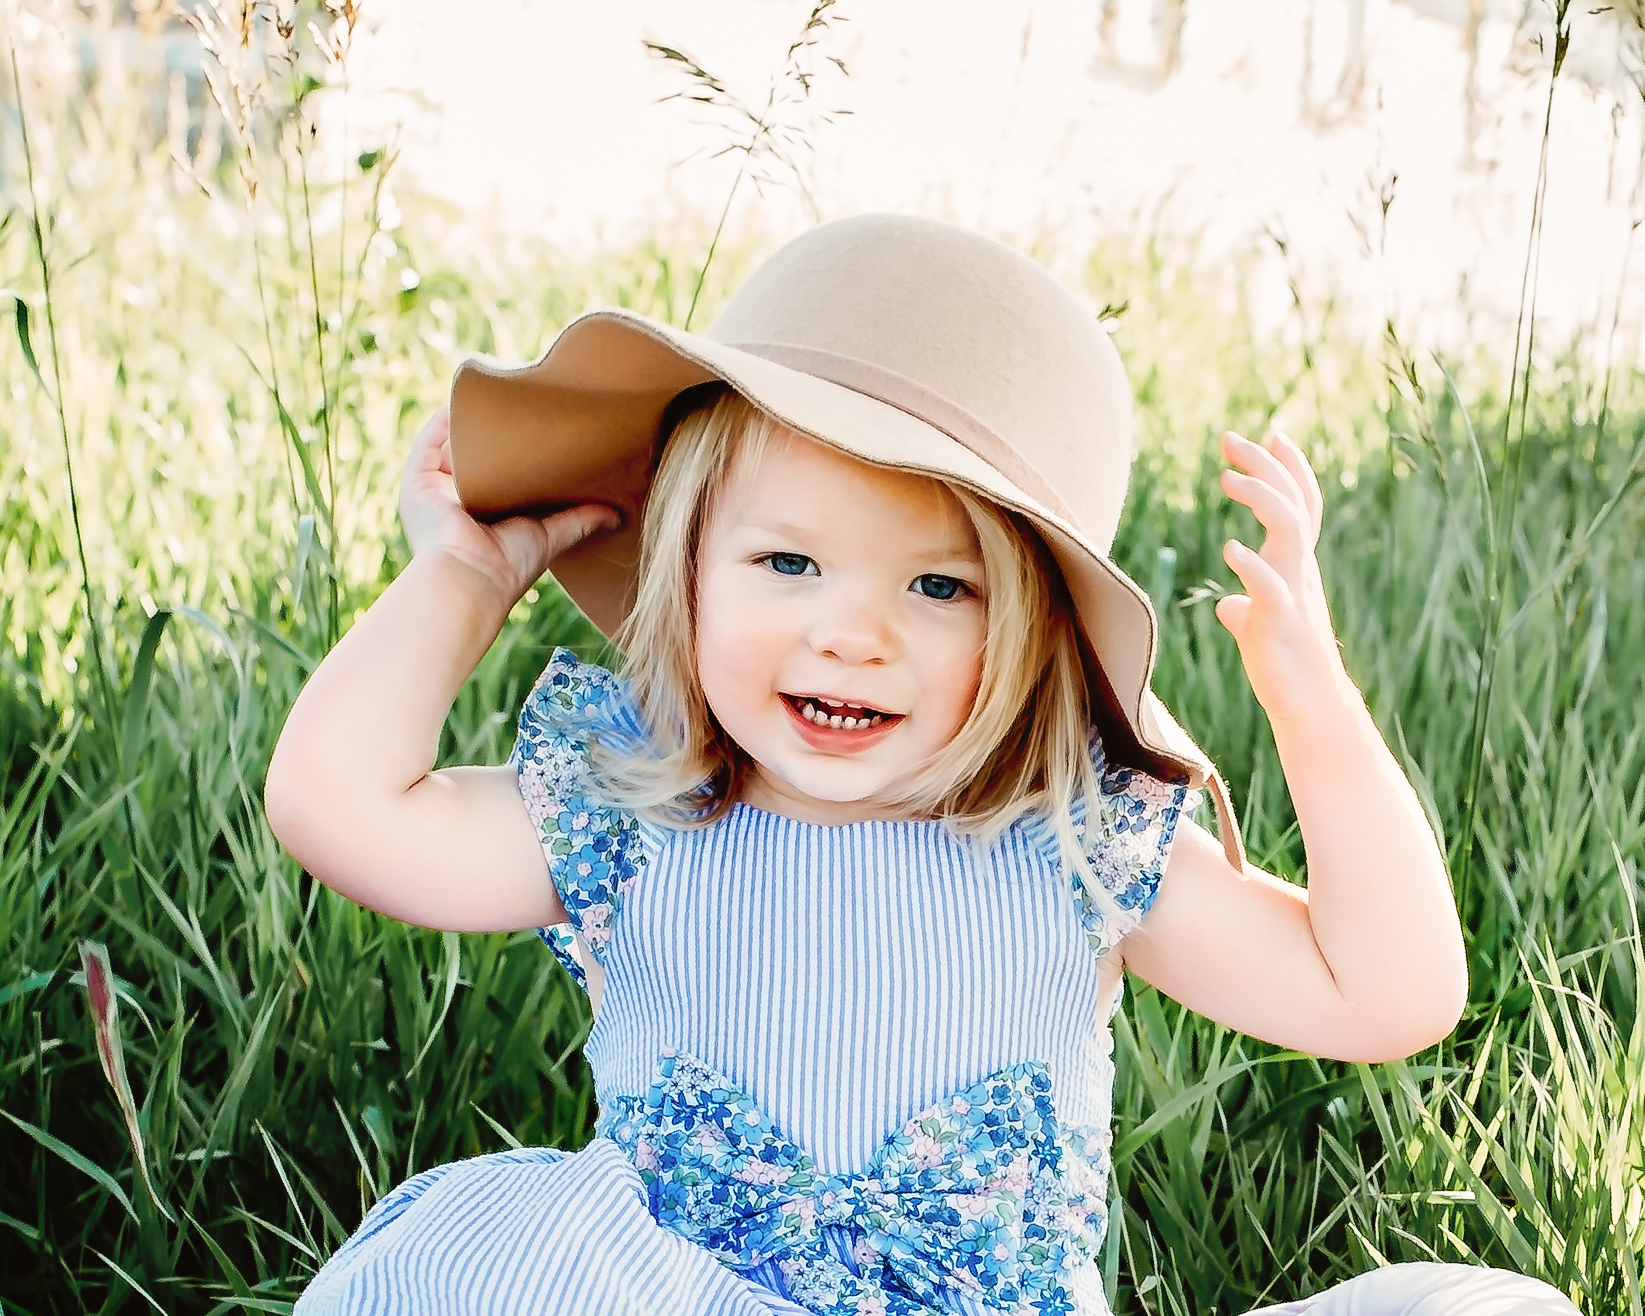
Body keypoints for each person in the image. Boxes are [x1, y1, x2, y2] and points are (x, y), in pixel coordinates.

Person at [265, 215, 1577, 1315]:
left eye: (939, 586)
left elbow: (1385, 996)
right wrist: (462, 578)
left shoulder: (1070, 842)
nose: (853, 633)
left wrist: (1313, 702)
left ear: (1038, 632)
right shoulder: (636, 808)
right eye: (787, 562)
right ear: (686, 569)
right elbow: (338, 809)